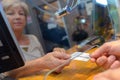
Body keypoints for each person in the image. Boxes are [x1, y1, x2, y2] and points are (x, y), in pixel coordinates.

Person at [1, 0, 71, 78]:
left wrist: (55, 58)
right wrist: (42, 62)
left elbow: (44, 64)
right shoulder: (2, 45)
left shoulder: (33, 38)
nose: (18, 17)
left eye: (21, 13)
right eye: (11, 13)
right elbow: (6, 74)